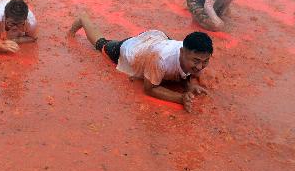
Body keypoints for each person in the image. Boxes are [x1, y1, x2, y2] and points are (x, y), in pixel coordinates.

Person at [68, 13, 212, 112]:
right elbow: (149, 89)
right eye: (196, 61)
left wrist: (189, 85)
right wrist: (180, 98)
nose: (200, 67)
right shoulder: (159, 58)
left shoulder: (191, 53)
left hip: (159, 39)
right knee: (101, 44)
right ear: (182, 52)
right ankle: (83, 19)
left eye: (205, 62)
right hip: (132, 50)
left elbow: (187, 70)